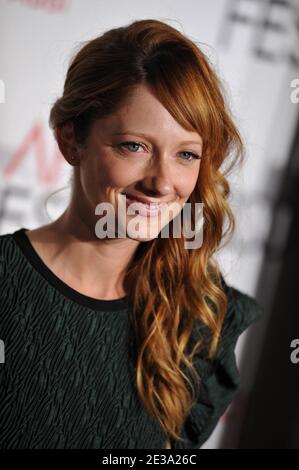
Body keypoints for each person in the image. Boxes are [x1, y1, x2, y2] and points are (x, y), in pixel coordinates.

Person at [0, 18, 263, 449]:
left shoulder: (200, 317)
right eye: (134, 146)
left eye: (186, 154)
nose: (162, 182)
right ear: (72, 141)